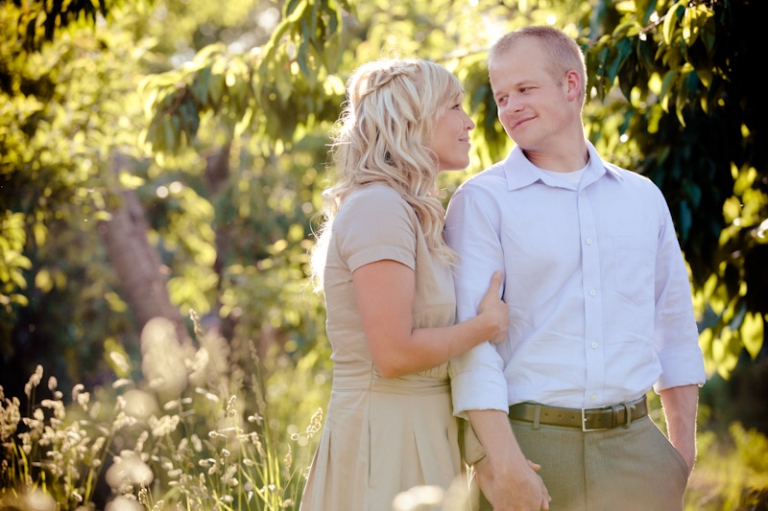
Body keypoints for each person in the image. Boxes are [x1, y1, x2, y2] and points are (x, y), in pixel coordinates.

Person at [444, 26, 707, 511]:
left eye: (525, 89)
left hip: (638, 452)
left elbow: (673, 327)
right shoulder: (481, 202)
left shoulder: (642, 198)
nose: (510, 107)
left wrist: (679, 457)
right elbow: (472, 348)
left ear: (571, 86)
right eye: (502, 96)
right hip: (531, 449)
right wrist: (501, 462)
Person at [300, 58, 510, 511]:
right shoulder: (380, 208)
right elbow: (394, 354)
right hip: (385, 436)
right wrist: (486, 325)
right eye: (454, 106)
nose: (469, 122)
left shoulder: (411, 211)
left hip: (423, 430)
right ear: (412, 119)